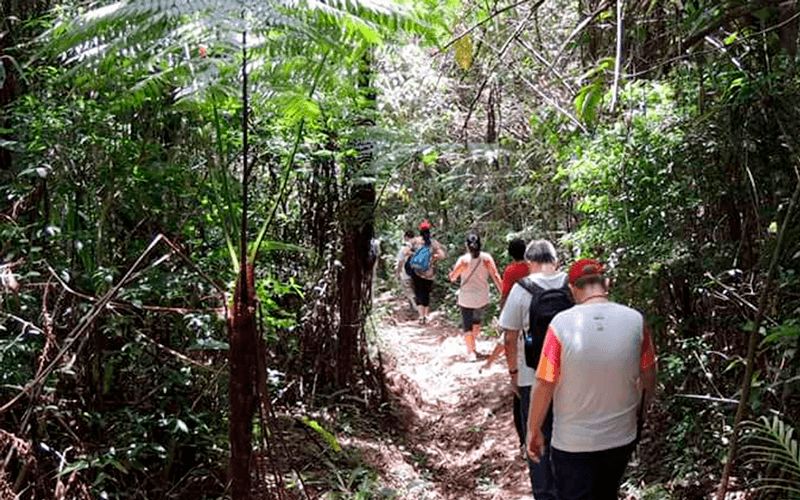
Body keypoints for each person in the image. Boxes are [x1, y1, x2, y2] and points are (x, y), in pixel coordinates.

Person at [526, 258, 657, 500]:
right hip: (621, 437)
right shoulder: (636, 321)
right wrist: (641, 412)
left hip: (573, 444)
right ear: (606, 284)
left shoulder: (560, 326)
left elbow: (545, 382)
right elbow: (649, 375)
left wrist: (533, 430)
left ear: (573, 289)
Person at [498, 239, 568, 500]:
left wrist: (514, 374)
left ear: (529, 263)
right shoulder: (570, 286)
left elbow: (509, 336)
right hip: (568, 376)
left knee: (537, 435)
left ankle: (544, 493)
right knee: (567, 434)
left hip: (531, 376)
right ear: (555, 261)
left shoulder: (521, 289)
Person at [480, 238, 529, 447]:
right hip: (533, 323)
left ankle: (523, 442)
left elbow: (506, 293)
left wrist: (503, 315)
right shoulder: (532, 268)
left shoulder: (511, 270)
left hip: (517, 321)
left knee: (520, 392)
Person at [448, 232, 502, 361]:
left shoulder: (463, 260)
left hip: (466, 297)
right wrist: (503, 292)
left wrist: (452, 273)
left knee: (467, 325)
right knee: (476, 322)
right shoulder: (486, 258)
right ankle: (472, 348)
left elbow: (453, 278)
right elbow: (495, 276)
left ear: (467, 246)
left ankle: (470, 352)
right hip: (482, 297)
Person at [405, 220, 446, 325]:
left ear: (420, 231)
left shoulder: (414, 241)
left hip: (416, 271)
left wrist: (415, 256)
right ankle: (426, 316)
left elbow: (405, 252)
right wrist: (433, 257)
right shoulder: (433, 243)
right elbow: (442, 255)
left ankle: (421, 316)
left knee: (419, 292)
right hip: (429, 272)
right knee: (426, 293)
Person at [395, 230, 417, 312]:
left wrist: (397, 273)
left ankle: (415, 307)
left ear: (406, 237)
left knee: (408, 289)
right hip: (419, 272)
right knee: (415, 287)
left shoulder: (403, 248)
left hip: (406, 271)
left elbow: (400, 262)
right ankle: (415, 306)